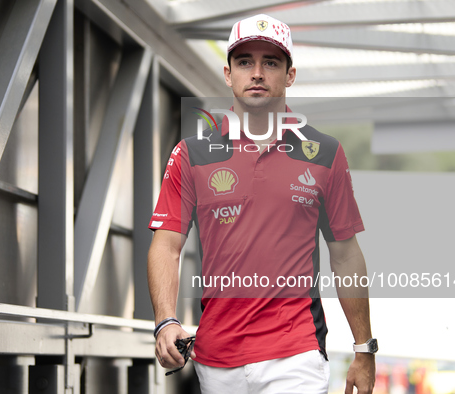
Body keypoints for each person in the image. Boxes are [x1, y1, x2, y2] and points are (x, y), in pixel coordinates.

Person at [147, 13, 376, 393]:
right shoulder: (192, 154)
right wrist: (165, 320)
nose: (256, 73)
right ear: (228, 73)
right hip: (216, 359)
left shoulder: (324, 154)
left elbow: (346, 255)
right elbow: (166, 246)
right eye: (244, 62)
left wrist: (364, 348)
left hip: (297, 354)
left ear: (289, 75)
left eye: (270, 62)